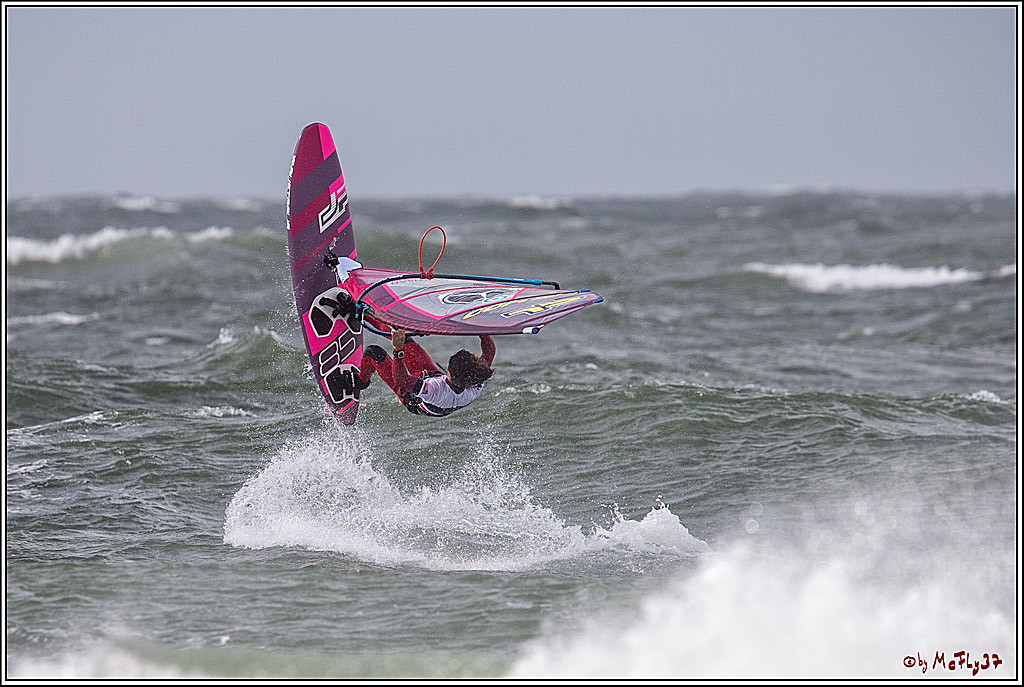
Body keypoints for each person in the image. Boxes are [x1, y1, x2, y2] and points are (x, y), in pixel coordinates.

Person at [357, 327, 495, 417]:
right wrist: (479, 327)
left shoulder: (436, 390)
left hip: (411, 396)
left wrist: (398, 351)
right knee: (404, 337)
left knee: (373, 353)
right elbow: (489, 350)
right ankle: (366, 314)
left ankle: (359, 381)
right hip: (432, 379)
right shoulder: (476, 377)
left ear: (448, 371)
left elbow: (402, 381)